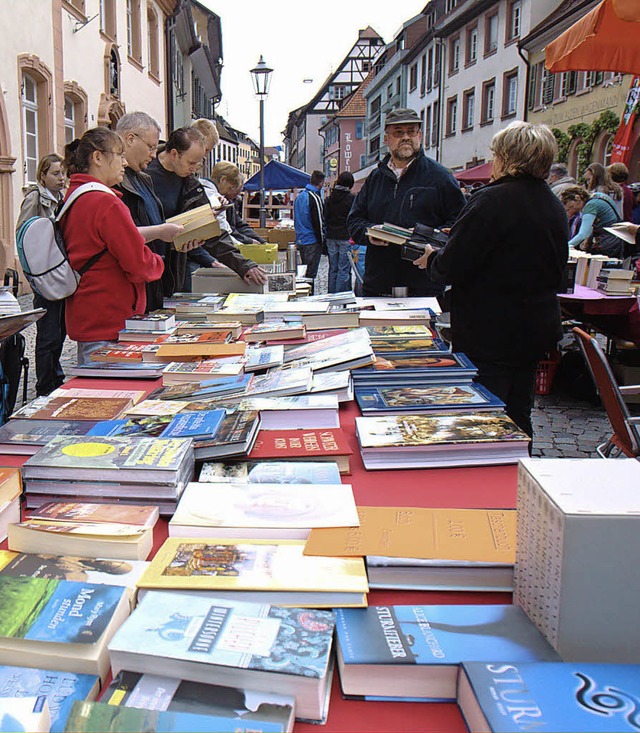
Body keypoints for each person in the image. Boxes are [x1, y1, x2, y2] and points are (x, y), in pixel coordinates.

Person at [413, 121, 569, 438]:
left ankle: (495, 478)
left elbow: (453, 265)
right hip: (534, 328)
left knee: (485, 415)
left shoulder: (492, 200)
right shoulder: (552, 203)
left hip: (491, 329)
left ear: (508, 158)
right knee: (519, 413)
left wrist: (432, 258)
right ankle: (520, 472)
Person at [59, 128, 165, 365]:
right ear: (98, 158)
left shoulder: (75, 195)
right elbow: (137, 263)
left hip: (88, 314)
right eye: (119, 154)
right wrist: (159, 262)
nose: (125, 162)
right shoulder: (106, 202)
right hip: (110, 319)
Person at [348, 108, 465, 297]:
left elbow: (459, 226)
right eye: (398, 132)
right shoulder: (375, 178)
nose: (406, 137)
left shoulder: (440, 177)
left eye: (411, 131)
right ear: (386, 139)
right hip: (378, 283)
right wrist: (370, 233)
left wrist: (425, 237)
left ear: (420, 135)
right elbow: (354, 221)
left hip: (423, 285)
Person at [146, 127, 265, 295]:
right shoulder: (145, 175)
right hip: (147, 270)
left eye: (198, 163)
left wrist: (244, 265)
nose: (195, 169)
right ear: (174, 154)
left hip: (173, 271)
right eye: (191, 162)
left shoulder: (191, 183)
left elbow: (213, 231)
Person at [115, 112, 186, 311]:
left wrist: (176, 242)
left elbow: (153, 226)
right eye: (151, 147)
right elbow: (122, 238)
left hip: (152, 284)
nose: (153, 154)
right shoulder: (114, 182)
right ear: (130, 139)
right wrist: (160, 232)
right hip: (131, 290)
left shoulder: (143, 179)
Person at [15, 153, 66, 395]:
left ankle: (56, 374)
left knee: (62, 329)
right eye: (55, 173)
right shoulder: (35, 198)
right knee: (48, 333)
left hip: (60, 273)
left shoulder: (63, 198)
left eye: (63, 173)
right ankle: (45, 385)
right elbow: (23, 236)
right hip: (44, 274)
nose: (61, 178)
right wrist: (33, 276)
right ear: (42, 175)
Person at [561, 185, 622, 256]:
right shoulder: (598, 196)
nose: (571, 212)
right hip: (615, 238)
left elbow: (583, 234)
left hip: (607, 242)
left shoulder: (590, 206)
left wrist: (566, 247)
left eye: (571, 207)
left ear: (578, 198)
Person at [324, 171, 355, 293]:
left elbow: (325, 217)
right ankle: (340, 297)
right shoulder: (351, 199)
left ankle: (331, 295)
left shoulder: (330, 198)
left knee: (333, 268)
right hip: (345, 236)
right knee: (343, 269)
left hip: (331, 236)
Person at [294, 170, 325, 281]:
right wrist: (322, 242)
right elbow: (319, 222)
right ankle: (309, 295)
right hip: (311, 240)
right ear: (321, 182)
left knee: (304, 273)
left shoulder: (300, 197)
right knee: (310, 275)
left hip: (301, 239)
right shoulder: (314, 198)